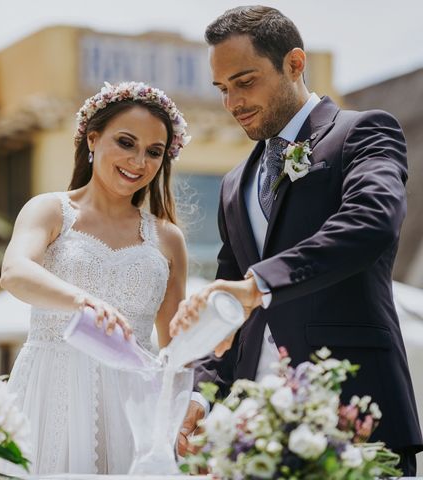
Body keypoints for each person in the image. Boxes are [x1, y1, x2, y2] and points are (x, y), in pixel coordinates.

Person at [170, 6, 422, 475]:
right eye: (222, 89)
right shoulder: (233, 184)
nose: (232, 103)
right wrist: (203, 398)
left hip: (355, 413)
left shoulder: (362, 132)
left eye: (245, 82)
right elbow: (226, 306)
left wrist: (257, 284)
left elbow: (371, 221)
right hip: (250, 431)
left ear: (295, 63)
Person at [0, 81, 190, 474]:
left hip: (135, 403)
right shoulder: (49, 210)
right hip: (52, 390)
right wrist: (82, 302)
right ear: (93, 138)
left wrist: (182, 416)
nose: (139, 161)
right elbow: (14, 272)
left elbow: (176, 348)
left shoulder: (168, 238)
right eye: (126, 142)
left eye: (153, 152)